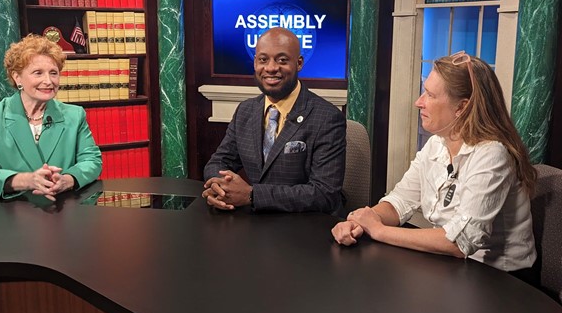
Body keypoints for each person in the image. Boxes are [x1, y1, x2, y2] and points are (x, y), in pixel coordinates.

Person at [332, 51, 537, 274]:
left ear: (462, 107)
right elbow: (400, 201)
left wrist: (379, 231)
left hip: (501, 280)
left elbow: (459, 243)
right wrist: (363, 221)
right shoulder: (436, 144)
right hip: (454, 268)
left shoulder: (492, 154)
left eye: (429, 95)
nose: (419, 102)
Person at [203, 27, 346, 213]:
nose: (271, 68)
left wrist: (252, 195)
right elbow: (218, 163)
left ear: (299, 63)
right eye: (263, 59)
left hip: (305, 227)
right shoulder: (245, 111)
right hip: (253, 225)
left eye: (282, 60)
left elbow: (324, 194)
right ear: (255, 63)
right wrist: (219, 188)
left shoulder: (327, 118)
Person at [0, 34, 102, 201]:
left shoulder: (74, 114)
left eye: (54, 73)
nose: (48, 81)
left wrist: (68, 180)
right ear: (17, 77)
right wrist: (28, 180)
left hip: (64, 209)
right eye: (38, 73)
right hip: (12, 213)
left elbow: (92, 161)